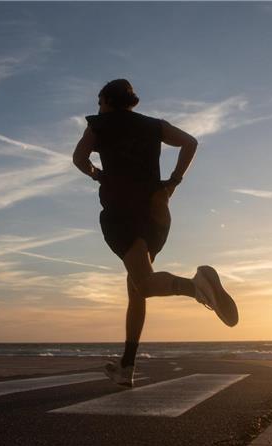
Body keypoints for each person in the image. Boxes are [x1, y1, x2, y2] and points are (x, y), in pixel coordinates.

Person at [72, 79, 238, 388]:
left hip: (122, 213)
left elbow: (79, 159)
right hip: (156, 212)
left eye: (100, 101)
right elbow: (190, 143)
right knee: (137, 288)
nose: (98, 107)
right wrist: (172, 183)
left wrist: (98, 175)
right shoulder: (153, 126)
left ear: (108, 100)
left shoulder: (99, 125)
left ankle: (197, 287)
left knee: (144, 285)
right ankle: (127, 366)